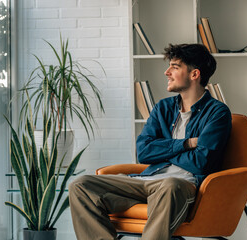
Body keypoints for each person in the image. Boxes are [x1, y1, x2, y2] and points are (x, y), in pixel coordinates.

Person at [68, 43, 232, 240]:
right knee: (80, 185)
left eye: (175, 66)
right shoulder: (163, 108)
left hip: (181, 185)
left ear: (194, 74)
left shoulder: (217, 112)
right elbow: (144, 153)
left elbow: (201, 162)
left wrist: (163, 150)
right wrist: (186, 144)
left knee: (170, 184)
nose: (167, 72)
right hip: (146, 181)